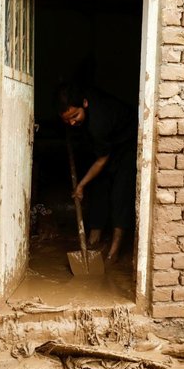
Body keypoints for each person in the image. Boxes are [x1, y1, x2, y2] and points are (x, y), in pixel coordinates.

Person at [57, 83, 137, 263]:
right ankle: (93, 241)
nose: (71, 122)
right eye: (66, 119)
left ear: (85, 104)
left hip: (127, 143)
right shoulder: (77, 100)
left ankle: (113, 252)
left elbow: (102, 160)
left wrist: (81, 185)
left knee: (120, 194)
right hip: (107, 143)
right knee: (99, 187)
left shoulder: (99, 121)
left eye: (75, 116)